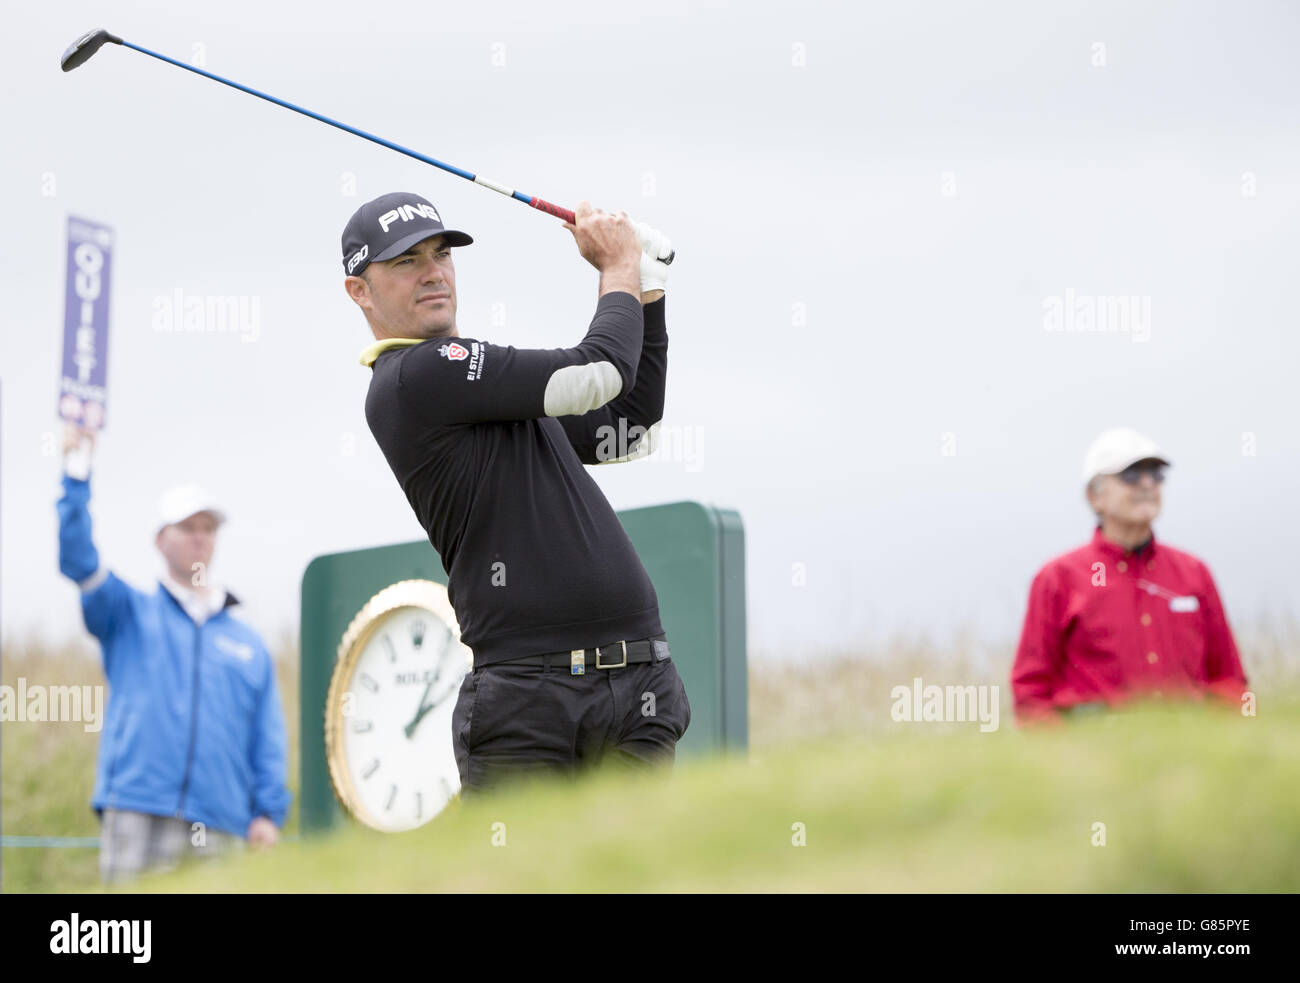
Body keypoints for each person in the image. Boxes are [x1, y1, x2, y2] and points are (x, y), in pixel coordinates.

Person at [342, 191, 690, 795]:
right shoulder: (415, 377)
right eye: (404, 262)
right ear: (360, 292)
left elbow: (629, 429)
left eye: (440, 254)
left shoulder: (480, 388)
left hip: (638, 684)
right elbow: (596, 372)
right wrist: (617, 269)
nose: (432, 272)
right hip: (532, 702)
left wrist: (648, 289)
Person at [57, 423, 291, 883]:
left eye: (208, 528)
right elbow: (78, 558)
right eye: (187, 527)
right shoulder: (127, 611)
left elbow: (267, 738)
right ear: (160, 539)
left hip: (223, 822)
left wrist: (267, 813)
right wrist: (76, 472)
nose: (200, 537)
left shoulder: (249, 645)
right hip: (138, 808)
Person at [1011, 427, 1249, 723]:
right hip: (1094, 755)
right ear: (1094, 495)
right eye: (1131, 475)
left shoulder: (1194, 572)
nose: (1147, 484)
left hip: (1191, 755)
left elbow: (1230, 681)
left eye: (1156, 474)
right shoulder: (1058, 578)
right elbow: (1030, 693)